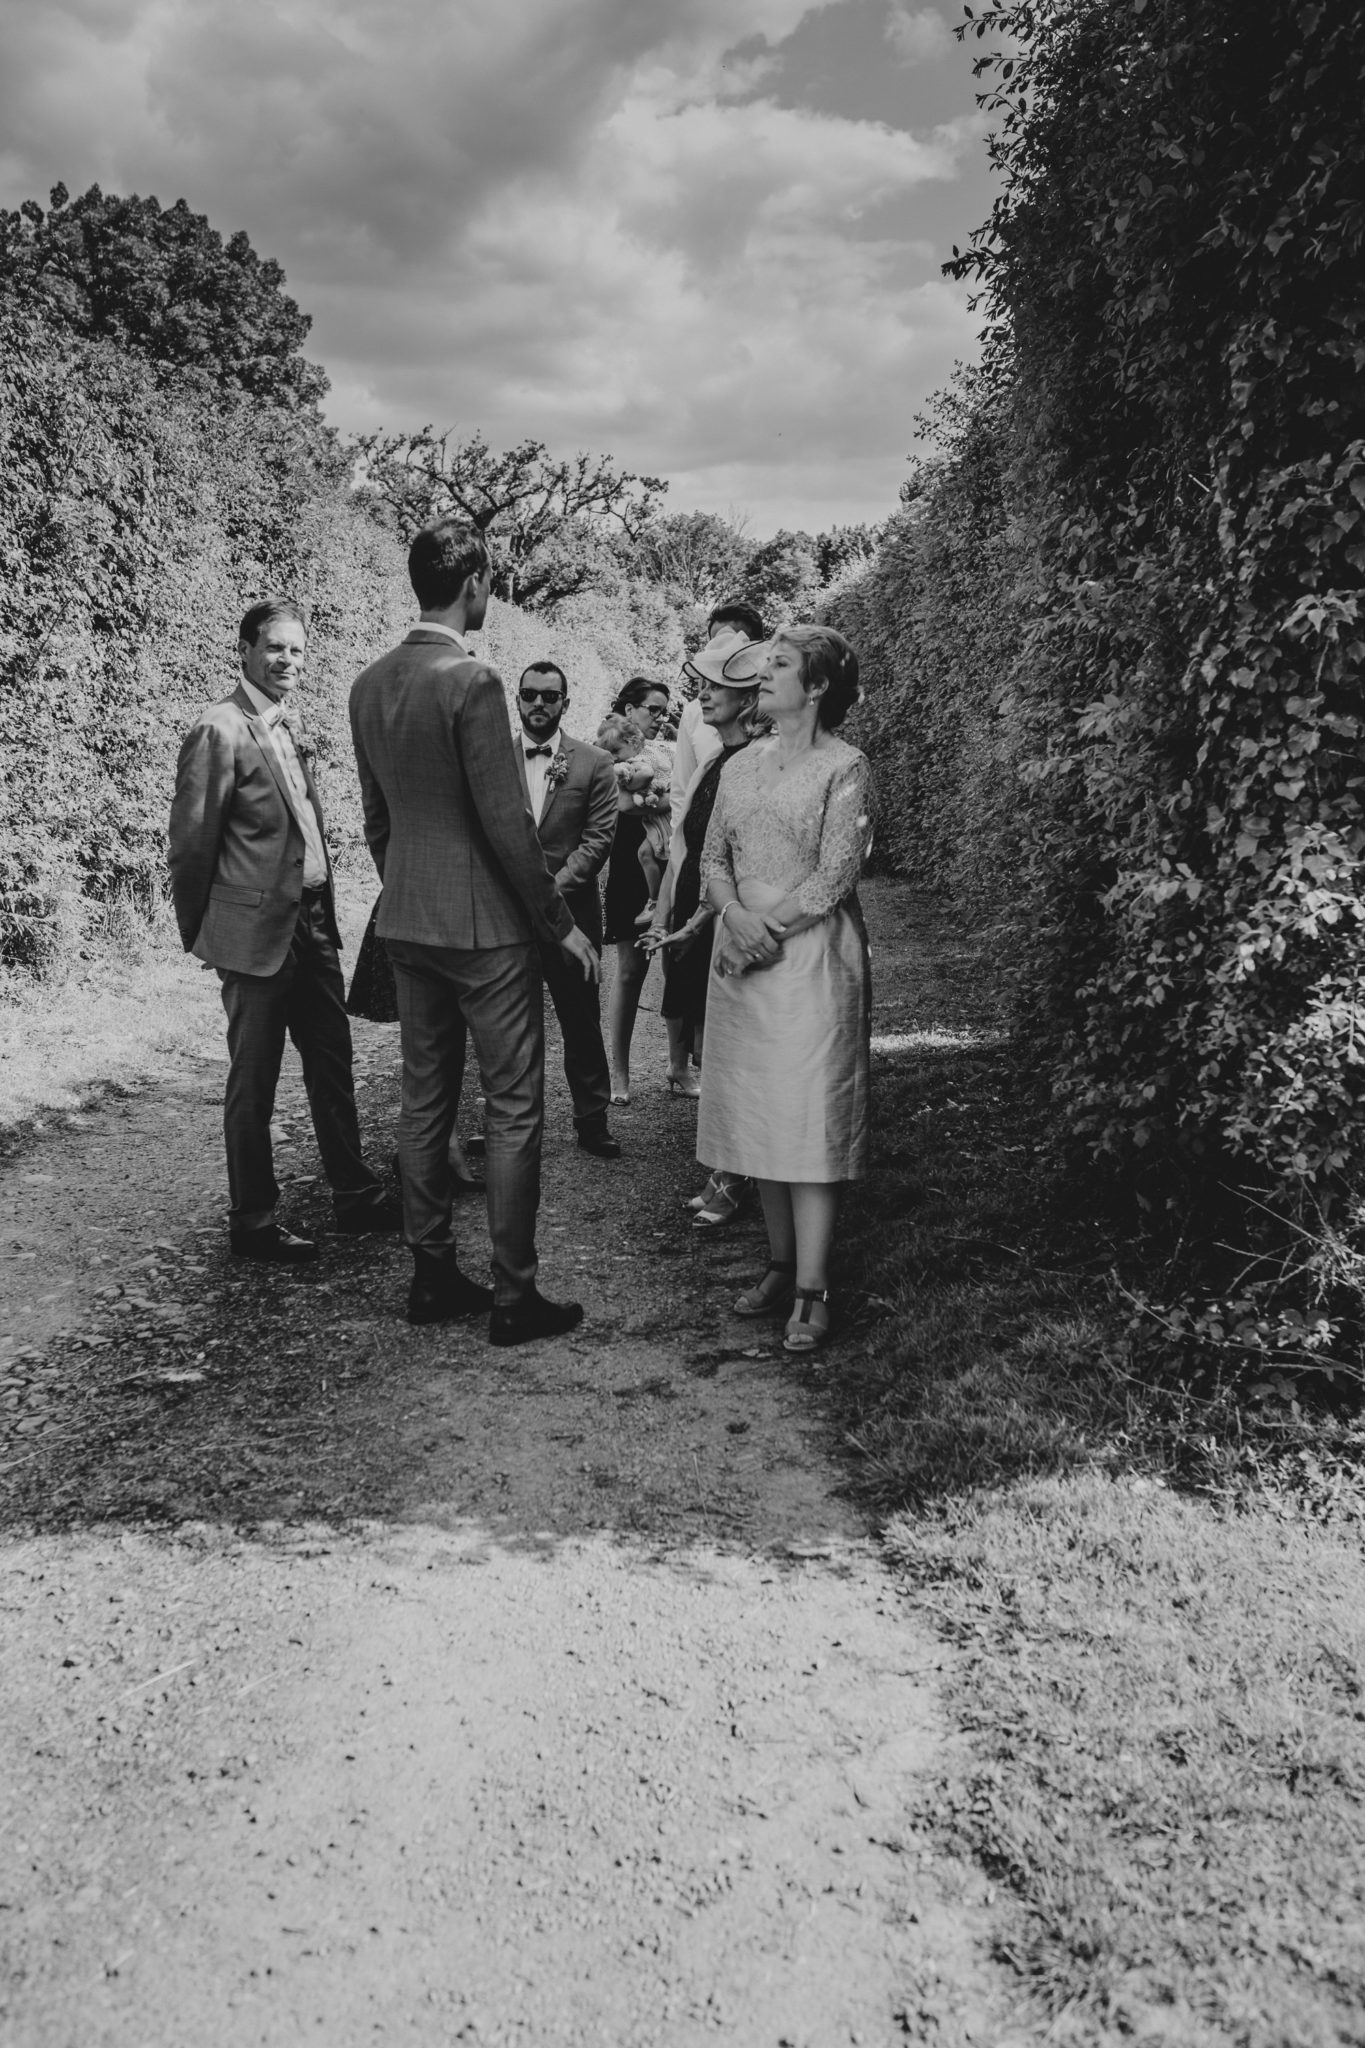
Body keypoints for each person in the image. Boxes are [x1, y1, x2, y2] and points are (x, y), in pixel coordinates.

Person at [348, 519, 600, 1345]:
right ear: (475, 584)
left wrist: (411, 893)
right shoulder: (474, 681)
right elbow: (505, 823)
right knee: (515, 1105)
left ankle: (430, 1278)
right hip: (487, 934)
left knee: (425, 1099)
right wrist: (557, 925)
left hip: (407, 922)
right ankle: (514, 1297)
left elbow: (377, 822)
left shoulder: (369, 683)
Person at [168, 599, 398, 1264]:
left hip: (316, 924)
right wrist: (207, 935)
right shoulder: (219, 728)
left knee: (333, 1063)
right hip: (255, 936)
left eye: (297, 651)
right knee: (255, 1079)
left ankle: (355, 1196)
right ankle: (254, 1220)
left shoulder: (283, 725)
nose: (288, 661)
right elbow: (191, 846)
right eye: (275, 648)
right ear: (243, 650)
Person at [697, 626, 874, 1354]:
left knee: (807, 1120)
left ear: (819, 684)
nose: (761, 676)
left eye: (779, 665)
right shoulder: (736, 765)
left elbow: (836, 875)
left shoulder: (846, 765)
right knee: (759, 1119)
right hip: (741, 958)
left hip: (808, 961)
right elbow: (712, 858)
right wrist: (732, 917)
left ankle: (813, 1285)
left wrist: (761, 934)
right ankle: (776, 1266)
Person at [642, 627, 763, 1232]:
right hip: (701, 905)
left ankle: (736, 1176)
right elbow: (692, 843)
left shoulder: (753, 760)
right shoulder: (720, 755)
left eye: (719, 686)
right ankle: (726, 1168)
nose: (705, 694)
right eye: (707, 684)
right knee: (710, 1040)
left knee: (730, 1044)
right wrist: (673, 911)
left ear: (748, 699)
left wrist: (711, 916)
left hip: (727, 912)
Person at [514, 659, 621, 1159]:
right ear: (517, 699)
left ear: (565, 703)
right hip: (507, 914)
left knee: (580, 1019)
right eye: (530, 694)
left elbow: (598, 840)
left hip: (572, 912)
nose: (539, 703)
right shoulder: (494, 758)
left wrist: (548, 896)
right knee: (509, 1022)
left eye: (549, 696)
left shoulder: (594, 762)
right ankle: (509, 1118)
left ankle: (591, 1118)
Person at [600, 676, 693, 1101]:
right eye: (653, 709)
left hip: (672, 861)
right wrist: (664, 799)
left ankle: (679, 1067)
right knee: (631, 970)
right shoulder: (610, 745)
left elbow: (685, 796)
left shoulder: (673, 748)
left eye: (664, 710)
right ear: (629, 709)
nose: (661, 717)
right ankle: (619, 1073)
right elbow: (619, 804)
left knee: (678, 964)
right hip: (629, 864)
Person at [669, 601, 768, 828]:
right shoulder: (695, 711)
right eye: (713, 643)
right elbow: (682, 790)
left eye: (730, 643)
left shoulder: (777, 716)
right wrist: (677, 851)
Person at [593, 712, 670, 901]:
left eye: (616, 751)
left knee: (649, 854)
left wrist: (623, 780)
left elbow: (646, 775)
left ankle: (656, 902)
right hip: (659, 809)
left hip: (663, 815)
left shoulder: (640, 760)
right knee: (649, 854)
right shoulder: (651, 749)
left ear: (633, 742)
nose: (614, 758)